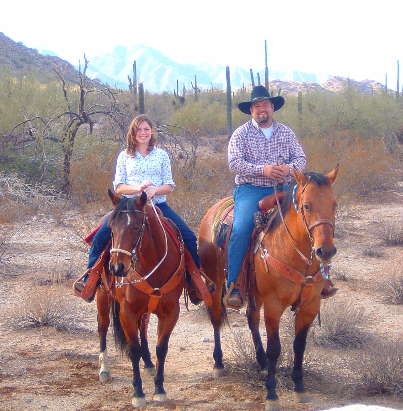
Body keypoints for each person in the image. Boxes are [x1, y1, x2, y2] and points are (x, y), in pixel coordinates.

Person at [74, 114, 213, 304]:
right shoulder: (124, 156)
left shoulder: (161, 155)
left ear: (152, 132)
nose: (143, 133)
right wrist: (139, 189)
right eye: (139, 129)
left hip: (158, 205)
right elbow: (119, 186)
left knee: (188, 237)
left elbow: (169, 185)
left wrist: (154, 190)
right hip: (129, 207)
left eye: (146, 129)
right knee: (101, 236)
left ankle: (194, 282)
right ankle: (91, 277)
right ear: (133, 132)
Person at [224, 85, 336, 309]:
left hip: (285, 186)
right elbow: (234, 163)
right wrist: (263, 169)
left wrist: (287, 169)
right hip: (252, 188)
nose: (261, 109)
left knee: (313, 219)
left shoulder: (286, 132)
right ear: (251, 110)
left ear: (272, 107)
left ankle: (321, 277)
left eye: (265, 105)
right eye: (257, 106)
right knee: (240, 228)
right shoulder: (241, 134)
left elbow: (300, 158)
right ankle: (234, 284)